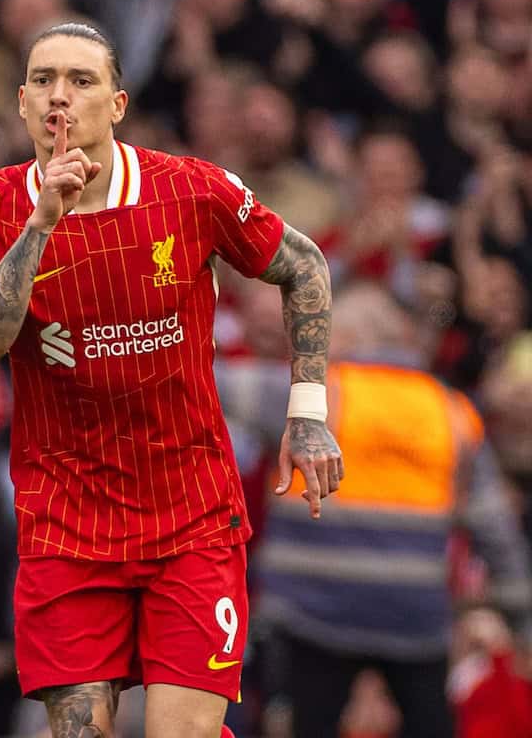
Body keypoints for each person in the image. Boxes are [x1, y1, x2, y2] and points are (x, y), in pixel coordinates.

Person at [0, 22, 344, 738]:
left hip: (189, 517)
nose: (59, 96)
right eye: (42, 80)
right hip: (66, 527)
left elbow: (304, 265)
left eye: (81, 80)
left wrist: (307, 411)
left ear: (118, 104)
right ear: (22, 103)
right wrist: (40, 225)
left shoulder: (190, 192)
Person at [218, 282, 532, 738]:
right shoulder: (450, 411)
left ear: (344, 336)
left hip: (314, 613)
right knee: (431, 726)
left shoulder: (315, 397)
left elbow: (211, 381)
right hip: (414, 618)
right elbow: (495, 531)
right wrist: (522, 623)